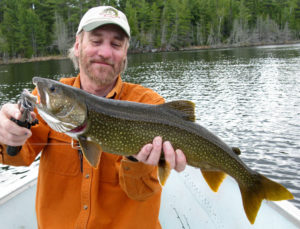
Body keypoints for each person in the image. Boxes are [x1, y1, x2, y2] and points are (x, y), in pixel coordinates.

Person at [0, 5, 187, 229]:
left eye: (116, 44)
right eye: (96, 41)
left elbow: (142, 193)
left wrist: (138, 161)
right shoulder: (52, 98)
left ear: (125, 52)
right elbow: (16, 156)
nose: (105, 53)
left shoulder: (149, 105)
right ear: (78, 46)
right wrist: (6, 131)